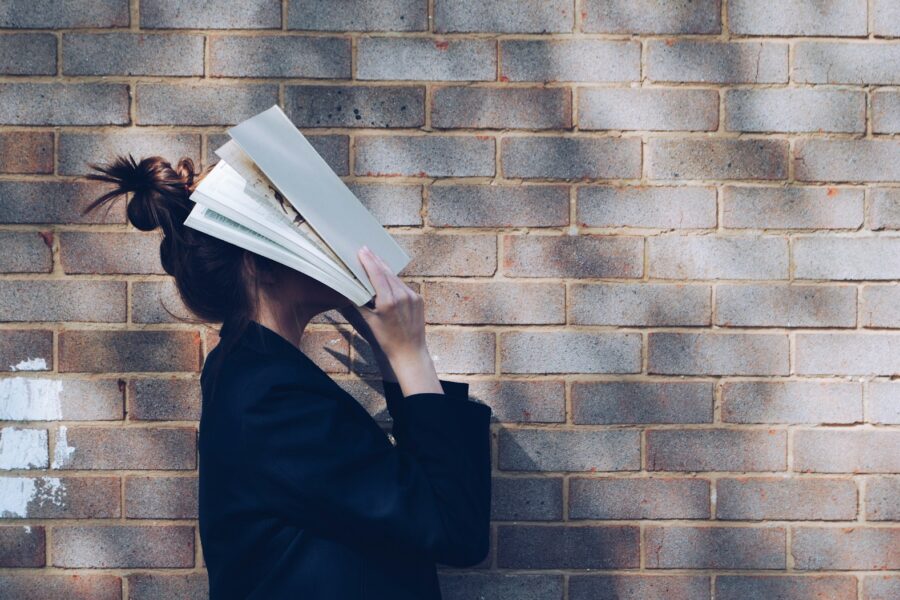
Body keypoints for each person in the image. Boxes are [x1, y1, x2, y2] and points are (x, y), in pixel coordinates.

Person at [82, 153, 493, 599]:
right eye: (302, 227)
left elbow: (414, 509)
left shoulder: (257, 376)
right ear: (259, 263)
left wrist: (389, 352)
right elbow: (454, 529)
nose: (328, 241)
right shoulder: (269, 399)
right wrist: (411, 354)